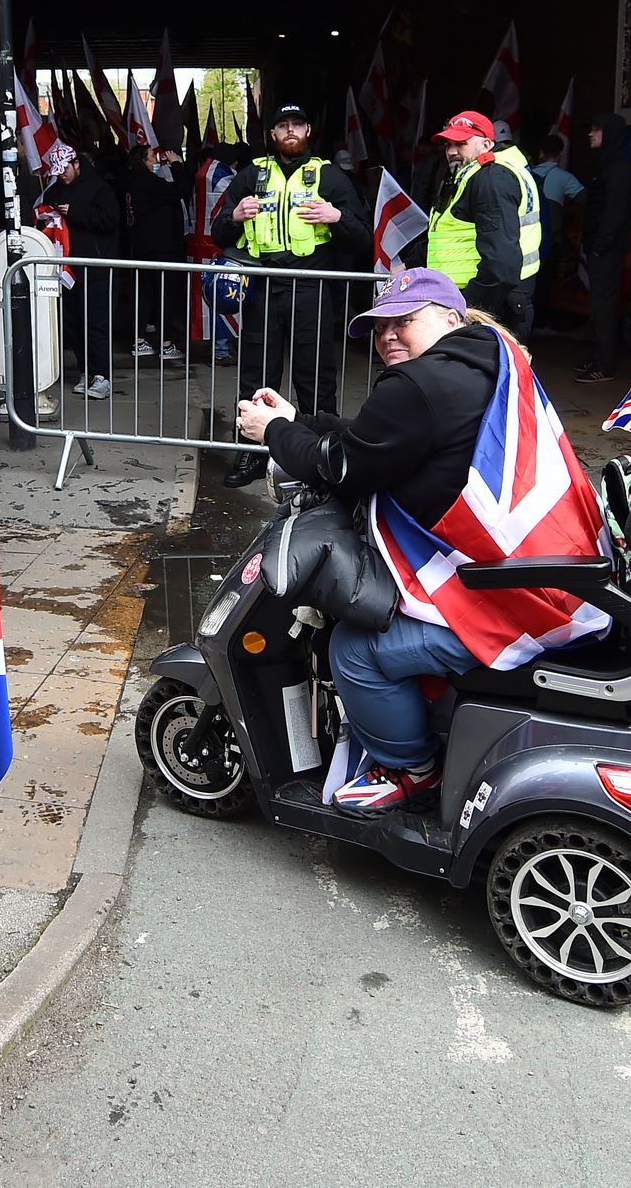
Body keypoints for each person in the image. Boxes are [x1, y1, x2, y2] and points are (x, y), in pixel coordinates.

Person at [235, 267, 610, 812]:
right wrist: (299, 420)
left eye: (404, 321)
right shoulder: (495, 357)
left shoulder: (419, 385)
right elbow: (385, 442)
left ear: (451, 317)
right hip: (563, 581)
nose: (389, 336)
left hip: (520, 604)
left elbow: (344, 467)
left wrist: (273, 433)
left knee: (355, 649)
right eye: (380, 326)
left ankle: (414, 769)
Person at [211, 101, 370, 487]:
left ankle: (322, 458)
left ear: (309, 131)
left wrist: (338, 218)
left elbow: (363, 238)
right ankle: (251, 456)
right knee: (256, 374)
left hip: (312, 288)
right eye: (284, 126)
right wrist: (234, 217)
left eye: (298, 124)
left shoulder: (329, 177)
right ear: (273, 134)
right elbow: (218, 233)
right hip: (264, 289)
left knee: (315, 377)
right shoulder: (252, 175)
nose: (291, 131)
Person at [424, 109, 539, 335]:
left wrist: (467, 308)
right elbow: (451, 234)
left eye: (461, 144)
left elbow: (501, 264)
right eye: (448, 145)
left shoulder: (490, 180)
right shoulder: (474, 175)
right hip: (487, 301)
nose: (452, 152)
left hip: (488, 306)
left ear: (486, 145)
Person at [39, 141, 121, 399]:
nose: (61, 175)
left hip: (96, 268)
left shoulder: (100, 189)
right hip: (66, 270)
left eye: (65, 169)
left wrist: (75, 213)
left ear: (77, 164)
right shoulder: (53, 192)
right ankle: (85, 370)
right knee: (73, 324)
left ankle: (101, 375)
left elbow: (109, 221)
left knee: (97, 323)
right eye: (57, 171)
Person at [579, 112, 631, 382]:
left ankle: (605, 365)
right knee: (598, 305)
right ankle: (599, 357)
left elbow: (615, 211)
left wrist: (600, 246)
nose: (591, 134)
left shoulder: (617, 167)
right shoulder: (606, 164)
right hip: (599, 247)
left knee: (604, 305)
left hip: (607, 249)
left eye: (597, 129)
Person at [123, 142, 189, 361]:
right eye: (151, 157)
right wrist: (177, 165)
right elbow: (181, 189)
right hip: (162, 250)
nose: (156, 160)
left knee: (145, 295)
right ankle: (166, 343)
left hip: (142, 248)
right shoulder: (149, 183)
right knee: (164, 297)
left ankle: (139, 340)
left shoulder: (131, 183)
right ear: (143, 161)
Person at [528, 131, 585, 333]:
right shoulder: (563, 177)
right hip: (551, 239)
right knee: (545, 283)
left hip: (526, 238)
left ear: (542, 153)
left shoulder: (527, 174)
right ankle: (541, 323)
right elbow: (586, 200)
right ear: (560, 154)